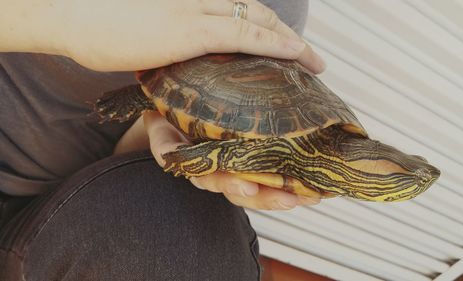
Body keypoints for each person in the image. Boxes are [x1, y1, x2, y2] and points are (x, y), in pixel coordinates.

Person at [0, 0, 326, 280]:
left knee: (183, 234)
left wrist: (177, 123)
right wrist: (62, 21)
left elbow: (126, 168)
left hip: (58, 208)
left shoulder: (257, 13)